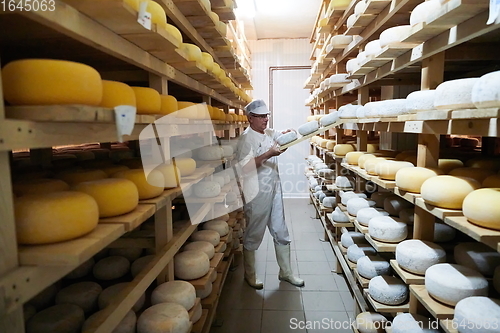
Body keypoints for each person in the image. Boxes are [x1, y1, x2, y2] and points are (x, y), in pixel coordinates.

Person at [235, 99, 304, 289]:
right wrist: (269, 154)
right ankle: (250, 275)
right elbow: (244, 168)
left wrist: (289, 133)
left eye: (267, 115)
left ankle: (286, 272)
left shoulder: (267, 132)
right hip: (256, 192)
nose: (266, 119)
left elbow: (281, 134)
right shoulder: (246, 139)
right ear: (250, 118)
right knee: (254, 233)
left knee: (281, 230)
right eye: (261, 116)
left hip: (274, 187)